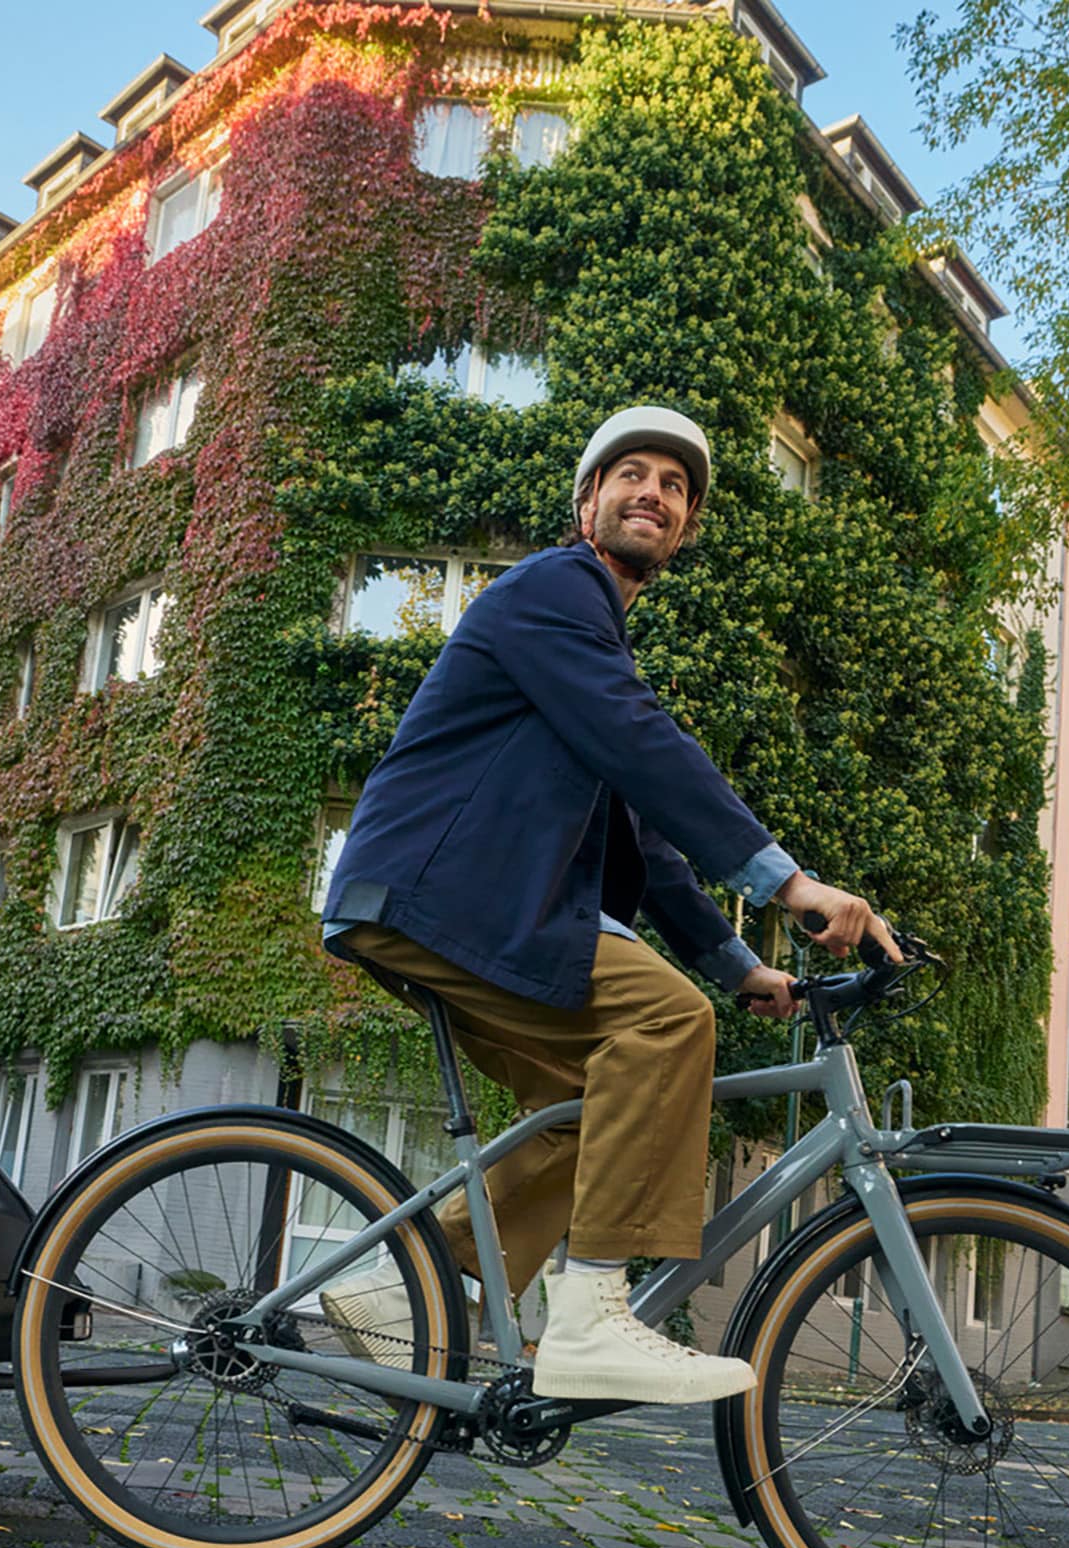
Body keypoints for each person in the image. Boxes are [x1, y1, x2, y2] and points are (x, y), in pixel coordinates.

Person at [320, 405, 898, 1403]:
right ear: (586, 503)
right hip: (446, 892)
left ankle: (401, 1289)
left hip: (444, 904)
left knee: (584, 1108)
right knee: (664, 1021)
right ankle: (590, 1314)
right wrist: (786, 881)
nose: (652, 493)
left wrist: (737, 965)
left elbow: (643, 832)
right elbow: (640, 744)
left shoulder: (589, 647)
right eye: (629, 474)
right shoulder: (555, 588)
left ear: (681, 527)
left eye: (673, 487)